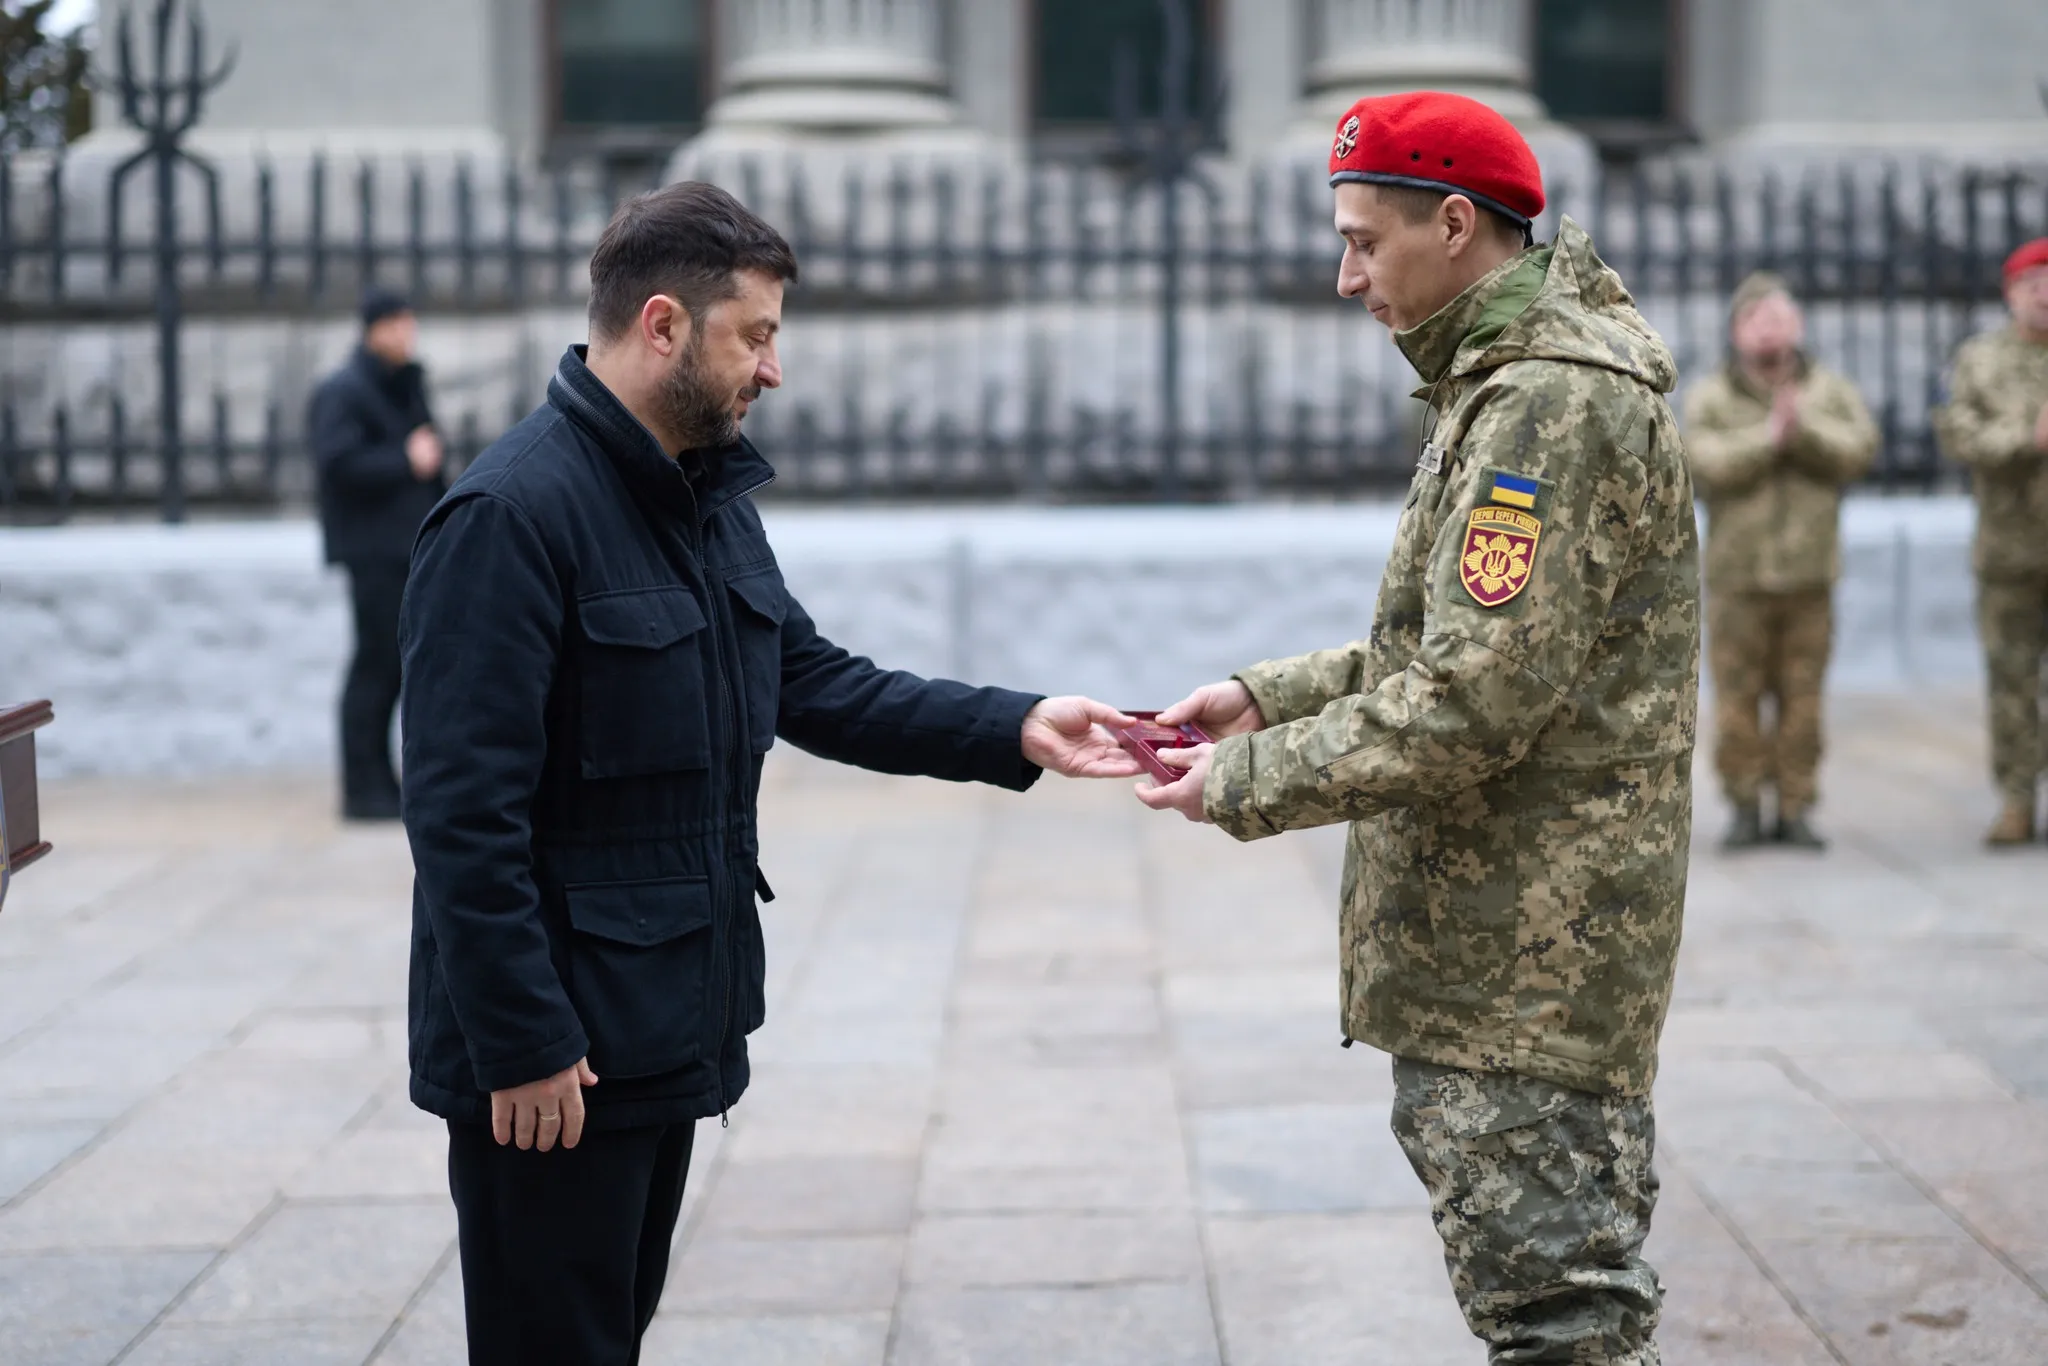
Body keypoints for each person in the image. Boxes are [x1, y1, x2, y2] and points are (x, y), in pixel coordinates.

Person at [397, 181, 1141, 1366]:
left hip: (658, 1026)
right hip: (557, 1058)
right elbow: (458, 815)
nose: (772, 369)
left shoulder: (704, 495)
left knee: (606, 1338)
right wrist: (522, 1039)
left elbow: (812, 680)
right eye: (756, 335)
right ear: (661, 325)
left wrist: (1014, 727)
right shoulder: (510, 515)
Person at [1135, 92, 1697, 1366]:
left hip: (1528, 961)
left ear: (1453, 225)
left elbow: (1469, 699)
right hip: (1501, 950)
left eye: (1362, 241)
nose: (1345, 278)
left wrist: (1244, 778)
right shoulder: (1498, 385)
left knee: (1562, 1327)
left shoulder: (1545, 407)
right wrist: (1269, 694)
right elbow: (1459, 649)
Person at [1683, 272, 1877, 850]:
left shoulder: (1829, 391)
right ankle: (1744, 805)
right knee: (1738, 699)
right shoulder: (1712, 396)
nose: (1770, 328)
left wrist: (1804, 431)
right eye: (1757, 318)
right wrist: (1768, 438)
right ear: (1737, 331)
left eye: (1780, 316)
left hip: (1809, 574)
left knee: (1803, 699)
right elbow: (1701, 462)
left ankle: (1795, 806)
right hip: (1738, 577)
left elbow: (1859, 449)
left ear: (1798, 326)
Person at [308, 288, 445, 821]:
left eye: (410, 323)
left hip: (408, 547)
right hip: (373, 552)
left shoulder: (402, 384)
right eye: (397, 324)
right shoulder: (345, 390)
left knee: (397, 666)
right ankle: (362, 788)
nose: (407, 334)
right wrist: (404, 459)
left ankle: (384, 783)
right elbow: (337, 462)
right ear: (373, 330)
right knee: (376, 666)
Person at [1935, 238, 2048, 847]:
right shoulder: (1981, 359)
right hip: (2011, 550)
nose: (2045, 295)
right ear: (2012, 293)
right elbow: (1958, 433)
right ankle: (2017, 798)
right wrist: (2026, 437)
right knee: (2012, 679)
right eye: (2034, 284)